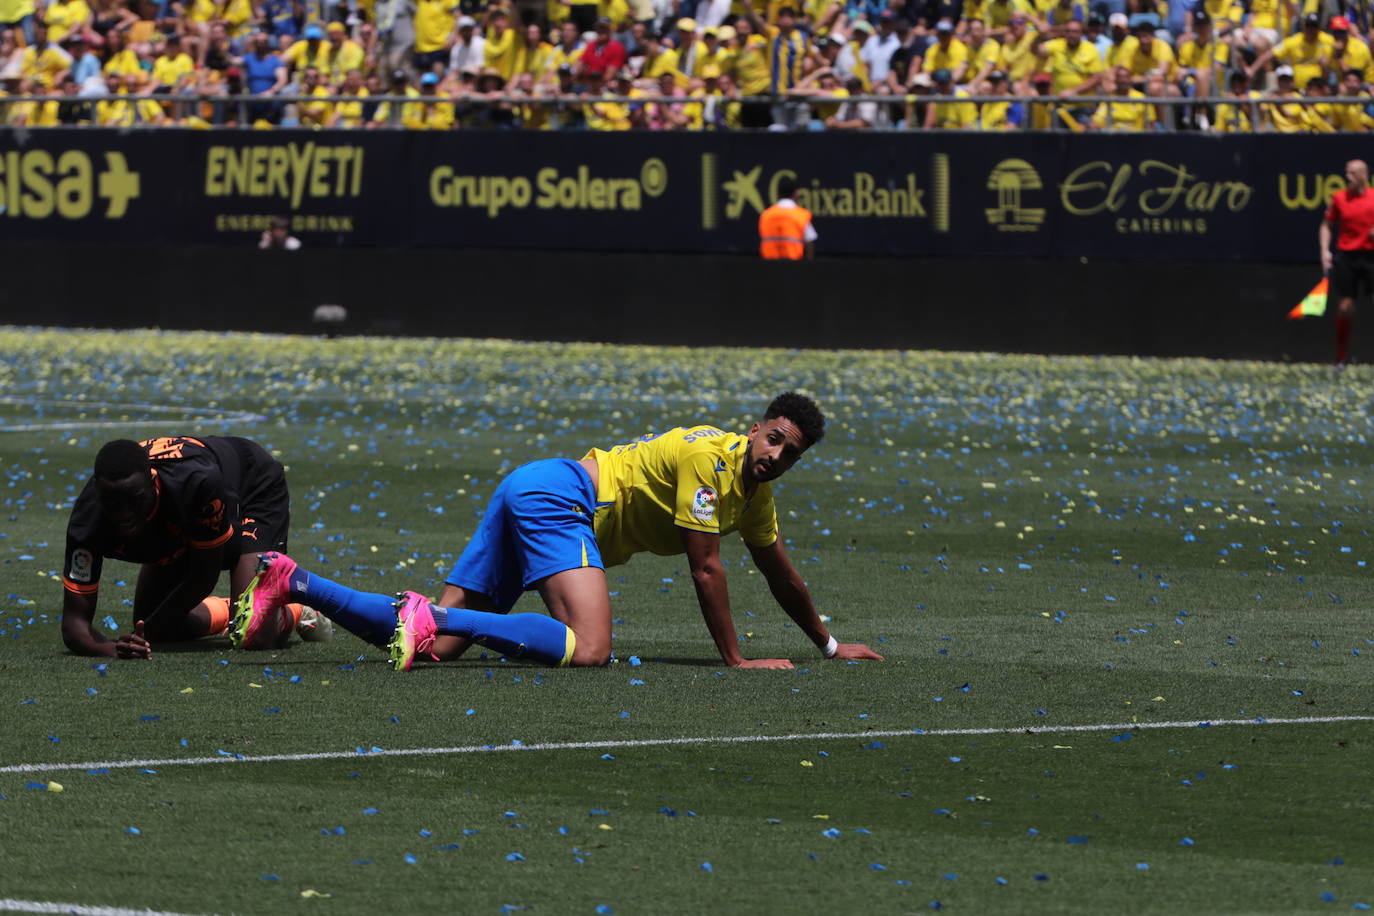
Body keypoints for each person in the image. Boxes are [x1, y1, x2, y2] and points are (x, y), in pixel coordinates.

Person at [235, 394, 883, 671]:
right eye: (774, 440)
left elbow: (780, 573)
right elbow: (706, 566)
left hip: (538, 496)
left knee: (434, 648)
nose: (775, 456)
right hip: (557, 500)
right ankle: (423, 613)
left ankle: (296, 583)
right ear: (756, 427)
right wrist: (736, 662)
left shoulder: (756, 492)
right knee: (592, 648)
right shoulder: (711, 459)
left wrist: (828, 646)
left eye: (789, 453)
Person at [60, 436, 300, 660]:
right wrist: (114, 649)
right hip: (184, 518)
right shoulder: (87, 520)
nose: (125, 514)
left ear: (153, 483)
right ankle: (231, 609)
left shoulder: (197, 483)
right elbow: (74, 625)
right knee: (160, 628)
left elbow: (204, 573)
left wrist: (150, 632)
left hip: (251, 484)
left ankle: (295, 610)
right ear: (100, 496)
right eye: (113, 504)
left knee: (255, 635)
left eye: (135, 500)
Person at [1319, 159, 1374, 366]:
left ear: (1363, 175)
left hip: (1371, 257)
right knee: (1345, 307)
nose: (1347, 177)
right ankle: (1341, 358)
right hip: (1347, 258)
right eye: (1347, 173)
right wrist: (1325, 251)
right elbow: (1326, 225)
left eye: (1352, 173)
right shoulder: (1339, 198)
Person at [759, 179, 815, 259]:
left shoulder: (766, 215)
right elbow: (810, 242)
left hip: (769, 267)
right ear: (796, 194)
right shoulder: (801, 215)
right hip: (793, 267)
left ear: (777, 194)